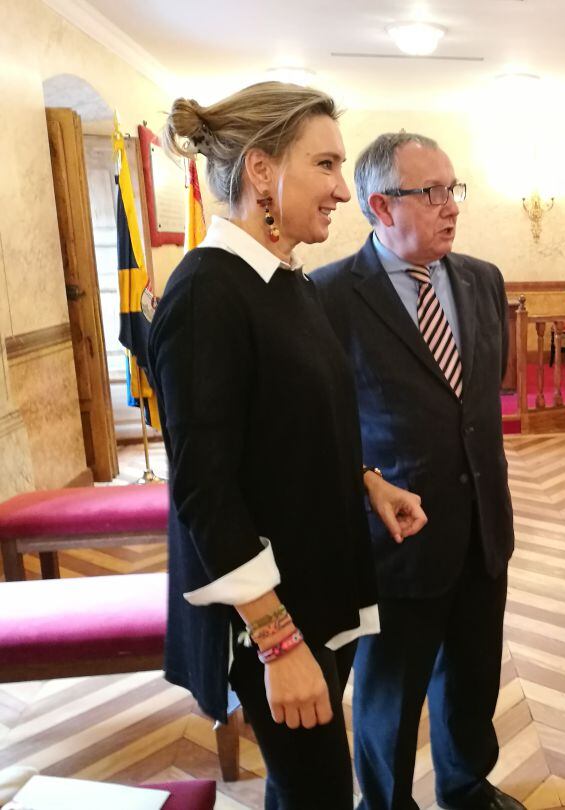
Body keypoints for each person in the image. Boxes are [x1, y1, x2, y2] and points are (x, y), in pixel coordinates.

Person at [149, 83, 426, 810]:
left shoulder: (283, 281)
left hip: (316, 588)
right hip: (272, 617)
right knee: (320, 796)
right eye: (327, 164)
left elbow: (291, 426)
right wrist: (276, 640)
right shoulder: (208, 294)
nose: (343, 188)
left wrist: (366, 479)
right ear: (263, 172)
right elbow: (207, 490)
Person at [311, 132, 519, 810]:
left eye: (452, 190)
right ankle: (386, 803)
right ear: (378, 205)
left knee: (471, 682)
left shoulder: (483, 280)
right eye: (429, 193)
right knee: (389, 696)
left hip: (483, 529)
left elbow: (479, 402)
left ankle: (465, 788)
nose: (449, 206)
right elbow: (318, 425)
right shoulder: (329, 295)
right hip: (396, 537)